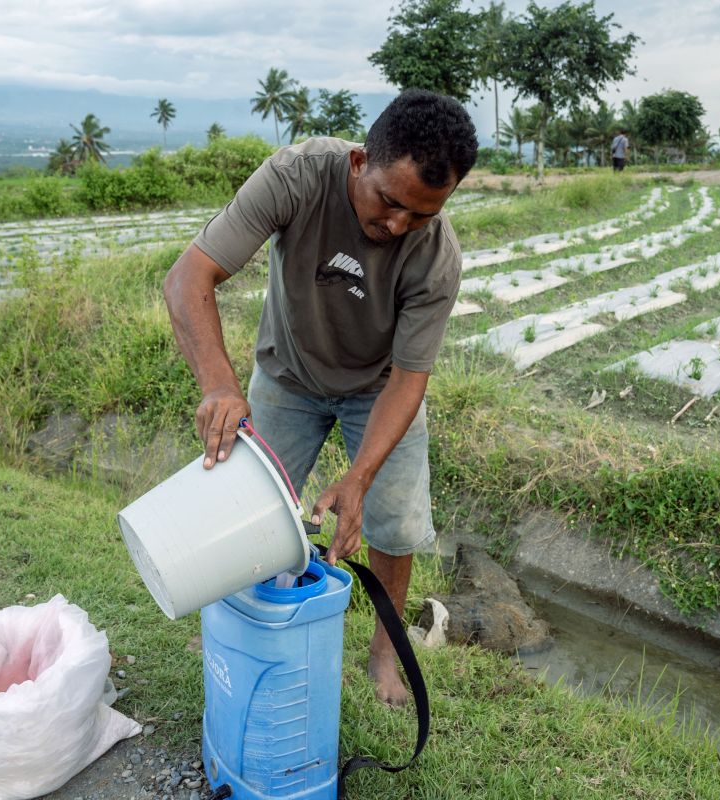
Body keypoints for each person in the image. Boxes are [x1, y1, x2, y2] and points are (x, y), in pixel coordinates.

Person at [163, 89, 478, 707]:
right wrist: (219, 387)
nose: (397, 226)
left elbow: (410, 379)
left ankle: (385, 654)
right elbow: (188, 277)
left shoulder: (436, 258)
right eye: (389, 202)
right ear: (359, 161)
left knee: (395, 524)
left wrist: (359, 479)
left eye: (421, 214)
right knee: (245, 505)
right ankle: (238, 623)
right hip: (287, 375)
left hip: (378, 389)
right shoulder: (295, 176)